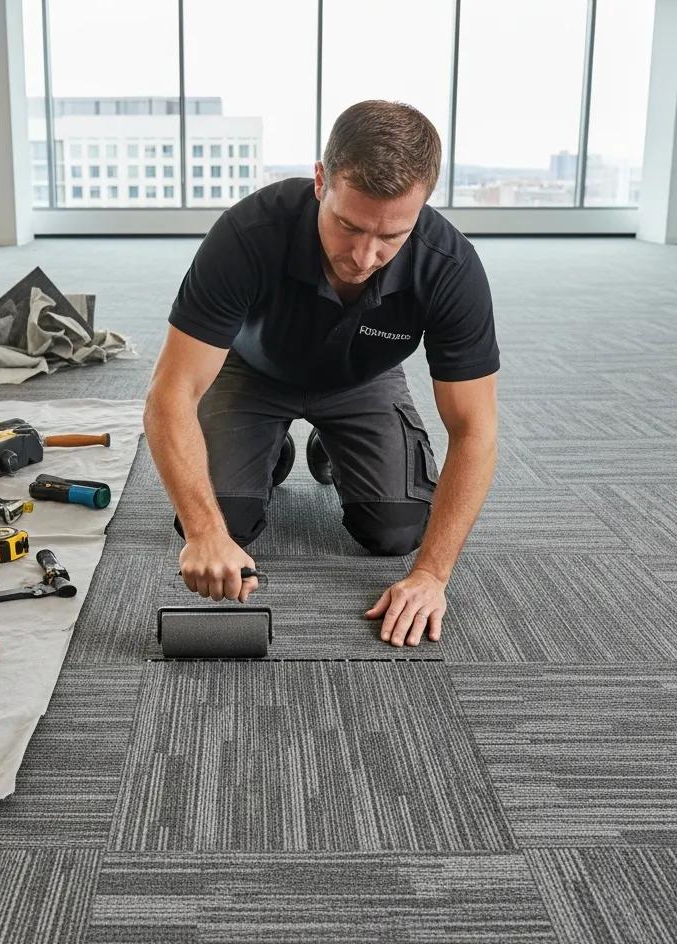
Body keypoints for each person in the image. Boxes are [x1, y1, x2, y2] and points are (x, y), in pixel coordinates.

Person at [142, 100, 499, 648]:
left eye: (391, 237)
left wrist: (432, 576)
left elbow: (475, 430)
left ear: (424, 205)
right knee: (225, 525)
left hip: (363, 380)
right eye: (348, 225)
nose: (363, 256)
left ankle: (330, 448)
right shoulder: (247, 232)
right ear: (319, 181)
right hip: (251, 371)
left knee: (397, 531)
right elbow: (170, 394)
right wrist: (205, 532)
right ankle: (271, 449)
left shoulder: (449, 266)